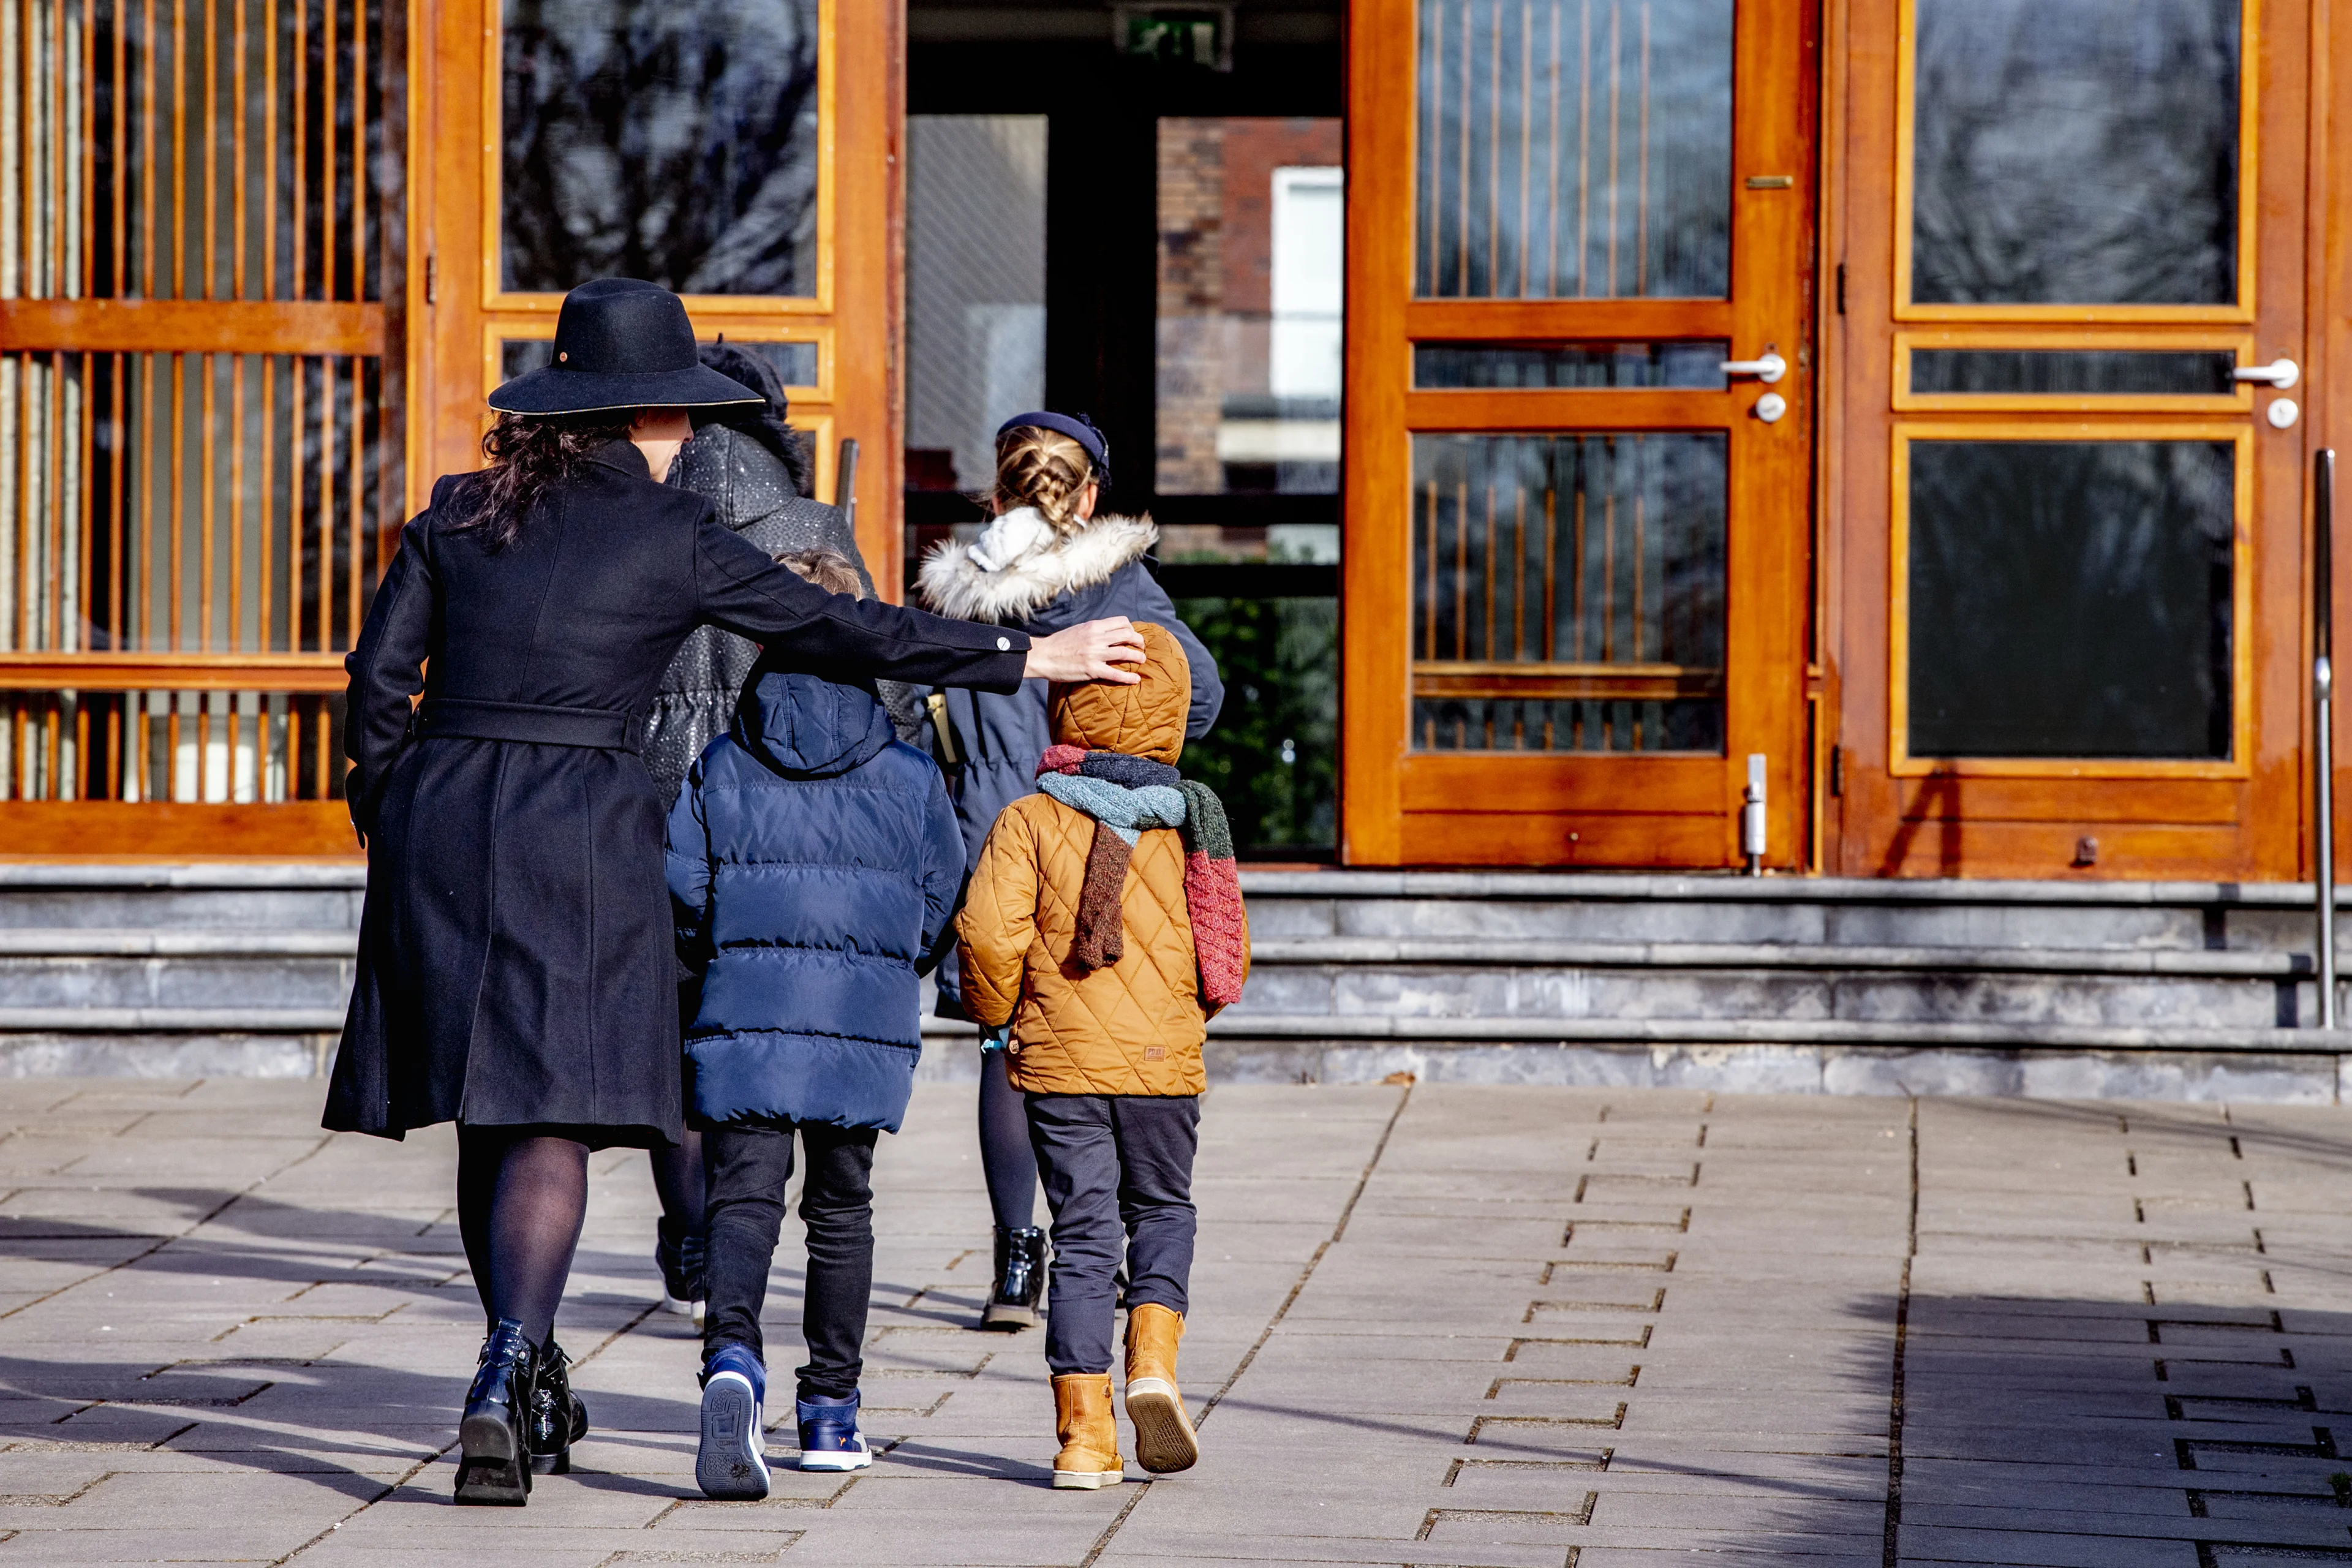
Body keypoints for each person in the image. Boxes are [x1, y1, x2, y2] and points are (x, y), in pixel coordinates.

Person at [323, 277, 1145, 1507]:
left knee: (490, 1108)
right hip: (580, 828)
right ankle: (504, 1365)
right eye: (681, 416)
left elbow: (377, 680)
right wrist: (1028, 652)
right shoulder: (673, 533)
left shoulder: (457, 511)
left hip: (442, 819)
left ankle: (519, 1367)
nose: (686, 439)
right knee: (549, 1115)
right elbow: (843, 629)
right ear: (648, 415)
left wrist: (391, 805)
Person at [663, 548, 962, 1500]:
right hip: (859, 1020)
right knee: (842, 1209)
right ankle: (831, 1411)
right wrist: (889, 964)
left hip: (746, 1010)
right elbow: (940, 895)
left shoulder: (720, 764)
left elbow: (683, 889)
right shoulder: (910, 775)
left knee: (742, 1198)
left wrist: (728, 949)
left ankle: (732, 1359)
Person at [916, 413, 1224, 1330]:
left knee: (1004, 1042)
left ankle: (1017, 1261)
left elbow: (903, 710)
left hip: (991, 838)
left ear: (997, 492)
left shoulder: (953, 595)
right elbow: (1200, 699)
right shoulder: (1123, 587)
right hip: (1105, 845)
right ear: (1087, 497)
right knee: (1106, 1037)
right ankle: (1110, 1248)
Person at [639, 344, 918, 1326]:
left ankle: (692, 1235)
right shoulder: (815, 528)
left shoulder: (644, 525)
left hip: (659, 810)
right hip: (793, 826)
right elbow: (884, 676)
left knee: (680, 1048)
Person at [954, 624, 1250, 1488]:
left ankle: (1084, 1439)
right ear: (1176, 711)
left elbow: (988, 937)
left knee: (1083, 1234)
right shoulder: (1196, 822)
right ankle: (1153, 1365)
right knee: (1162, 1209)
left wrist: (1000, 1019)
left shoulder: (1029, 818)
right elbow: (1227, 953)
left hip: (1061, 1063)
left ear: (1068, 703)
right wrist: (1185, 1018)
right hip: (1163, 1065)